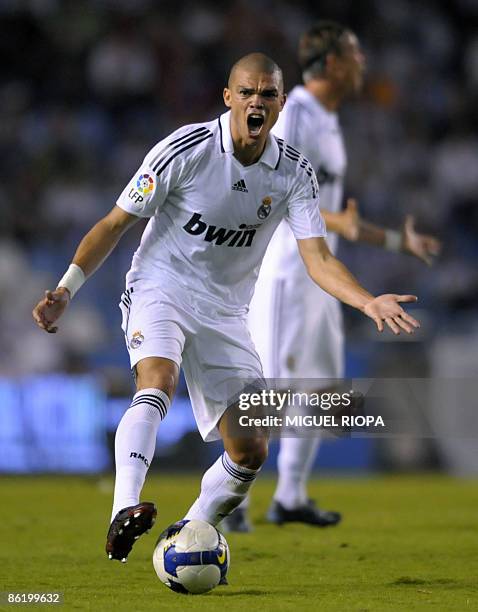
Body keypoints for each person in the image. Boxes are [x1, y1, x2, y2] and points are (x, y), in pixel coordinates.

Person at [32, 52, 420, 564]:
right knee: (157, 382)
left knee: (252, 448)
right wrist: (66, 288)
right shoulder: (183, 150)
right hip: (160, 285)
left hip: (225, 312)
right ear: (228, 97)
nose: (256, 101)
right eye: (247, 92)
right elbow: (113, 224)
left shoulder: (293, 174)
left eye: (267, 94)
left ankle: (190, 534)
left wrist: (367, 300)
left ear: (281, 103)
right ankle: (122, 511)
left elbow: (318, 258)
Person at [221, 23, 440, 533]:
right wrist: (340, 222)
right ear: (334, 63)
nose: (363, 61)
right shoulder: (293, 112)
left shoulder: (325, 118)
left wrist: (394, 241)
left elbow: (331, 211)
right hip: (284, 269)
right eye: (355, 53)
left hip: (320, 271)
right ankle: (231, 504)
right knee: (266, 392)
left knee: (320, 391)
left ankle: (291, 496)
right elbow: (277, 191)